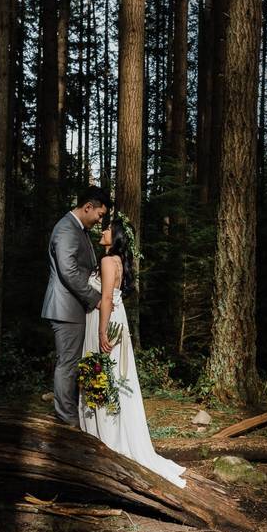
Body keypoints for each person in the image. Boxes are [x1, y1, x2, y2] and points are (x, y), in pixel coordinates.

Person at [80, 212, 187, 488]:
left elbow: (105, 298)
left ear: (114, 237)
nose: (102, 231)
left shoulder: (106, 260)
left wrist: (102, 331)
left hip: (105, 320)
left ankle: (105, 439)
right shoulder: (118, 262)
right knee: (115, 377)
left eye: (107, 229)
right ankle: (112, 434)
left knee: (103, 374)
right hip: (117, 318)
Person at [41, 186, 110, 426]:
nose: (100, 220)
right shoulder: (67, 229)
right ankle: (66, 420)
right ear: (87, 207)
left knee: (71, 363)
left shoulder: (78, 229)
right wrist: (95, 298)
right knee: (67, 364)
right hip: (65, 309)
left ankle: (72, 416)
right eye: (99, 215)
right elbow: (68, 270)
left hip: (73, 308)